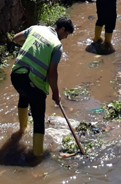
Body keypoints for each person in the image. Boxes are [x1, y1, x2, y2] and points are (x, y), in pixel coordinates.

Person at [10, 17, 75, 157]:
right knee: (39, 118)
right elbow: (52, 73)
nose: (65, 37)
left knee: (24, 96)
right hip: (33, 83)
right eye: (66, 34)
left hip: (16, 75)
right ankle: (37, 156)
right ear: (62, 29)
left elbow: (16, 38)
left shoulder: (35, 28)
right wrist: (56, 93)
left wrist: (30, 45)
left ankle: (21, 130)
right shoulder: (57, 45)